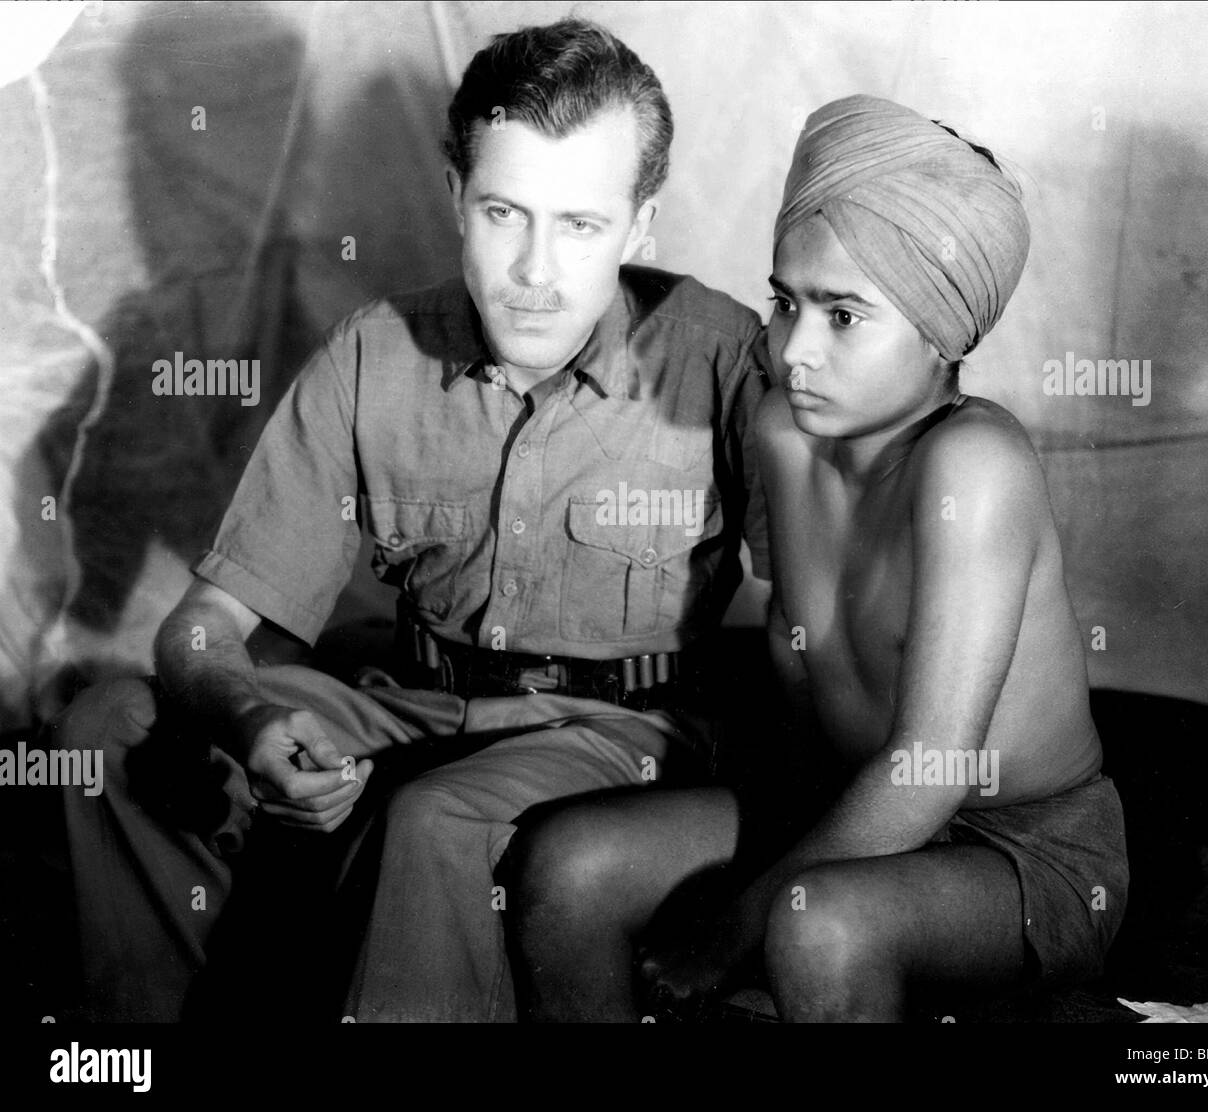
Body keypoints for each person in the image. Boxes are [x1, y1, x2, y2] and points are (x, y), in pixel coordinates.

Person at [55, 18, 769, 1022]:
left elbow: (830, 611)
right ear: (454, 200)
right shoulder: (370, 357)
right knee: (112, 728)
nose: (534, 270)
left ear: (641, 226)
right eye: (503, 213)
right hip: (413, 704)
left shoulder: (721, 357)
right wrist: (250, 710)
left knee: (439, 814)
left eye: (580, 225)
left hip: (620, 730)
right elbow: (204, 626)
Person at [507, 94, 1129, 1022]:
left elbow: (931, 766)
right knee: (571, 864)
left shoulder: (975, 466)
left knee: (815, 923)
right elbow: (806, 696)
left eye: (844, 315)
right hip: (843, 803)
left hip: (1017, 849)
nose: (793, 349)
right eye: (785, 301)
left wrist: (741, 918)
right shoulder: (783, 434)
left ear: (941, 335)